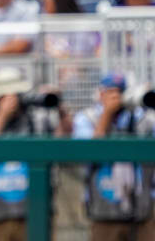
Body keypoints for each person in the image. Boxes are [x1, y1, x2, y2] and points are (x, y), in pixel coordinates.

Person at [0, 67, 70, 241]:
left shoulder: (39, 118)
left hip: (37, 210)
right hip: (0, 212)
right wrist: (3, 115)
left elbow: (64, 139)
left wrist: (60, 108)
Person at [73, 73, 155, 241]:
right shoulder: (86, 118)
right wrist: (107, 114)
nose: (116, 98)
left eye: (120, 92)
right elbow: (88, 153)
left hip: (142, 210)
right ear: (100, 94)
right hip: (104, 211)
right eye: (110, 92)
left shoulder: (143, 118)